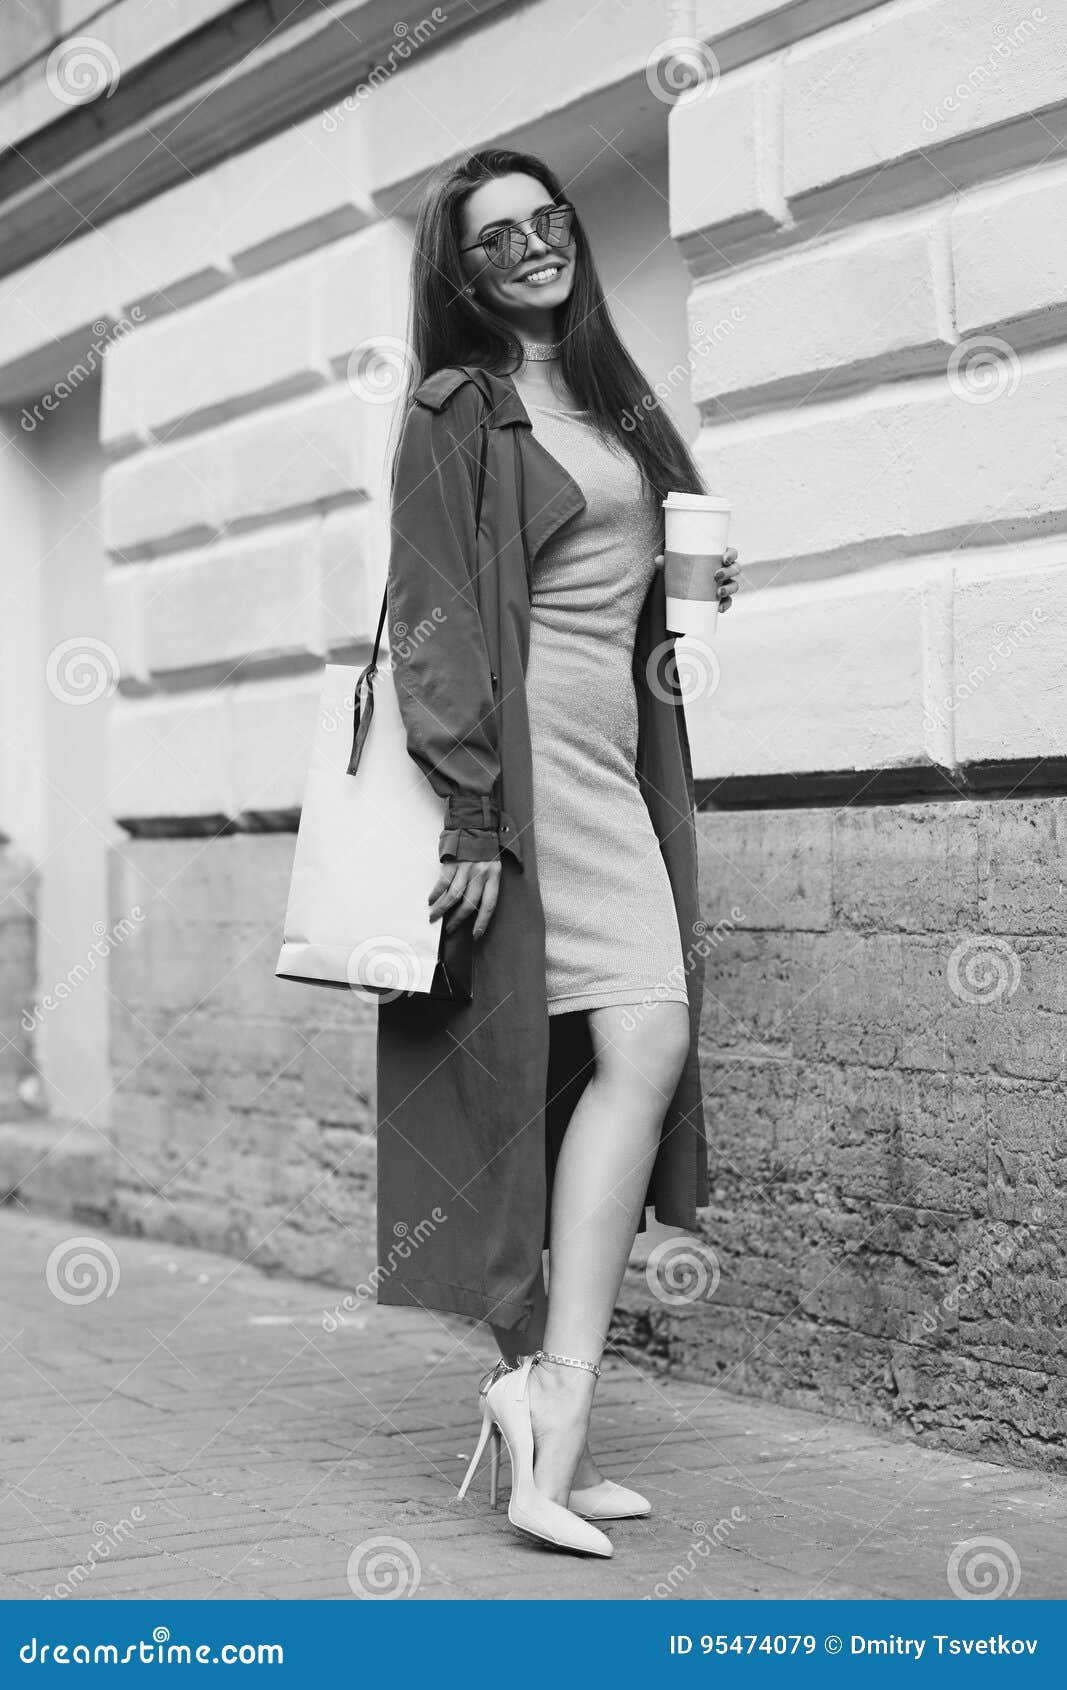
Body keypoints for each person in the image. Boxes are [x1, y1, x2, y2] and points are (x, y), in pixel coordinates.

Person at [377, 148, 740, 1558]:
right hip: (529, 774)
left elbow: (626, 586)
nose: (533, 248)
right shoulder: (460, 406)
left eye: (548, 222)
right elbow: (432, 608)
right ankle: (554, 1420)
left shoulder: (613, 399)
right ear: (463, 275)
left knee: (623, 1056)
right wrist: (471, 807)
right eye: (497, 240)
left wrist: (700, 591)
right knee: (635, 1045)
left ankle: (548, 1409)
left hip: (614, 761)